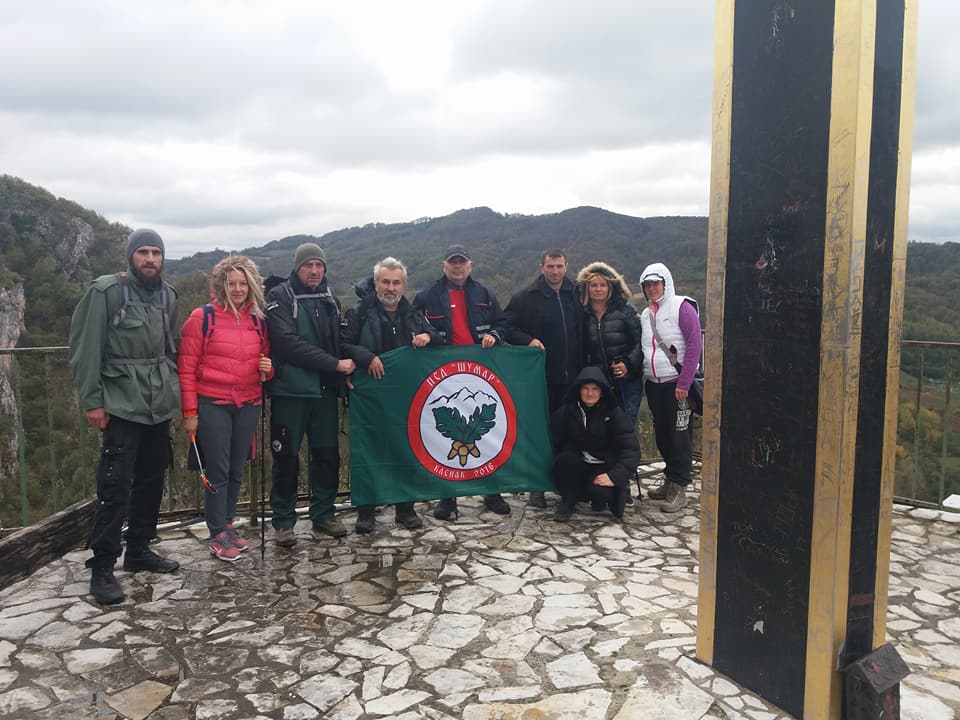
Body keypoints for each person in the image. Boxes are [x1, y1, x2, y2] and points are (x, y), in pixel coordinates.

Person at [69, 228, 181, 605]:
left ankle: (138, 550)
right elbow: (85, 348)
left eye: (156, 253)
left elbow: (172, 349)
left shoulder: (168, 296)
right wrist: (92, 401)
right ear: (131, 256)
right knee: (114, 486)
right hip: (120, 402)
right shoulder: (106, 292)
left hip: (157, 404)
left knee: (151, 479)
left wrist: (175, 392)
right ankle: (102, 566)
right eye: (143, 252)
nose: (150, 259)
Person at [178, 256, 273, 561]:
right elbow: (186, 368)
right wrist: (190, 413)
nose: (238, 289)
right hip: (213, 404)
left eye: (243, 283)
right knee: (217, 471)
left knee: (235, 469)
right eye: (231, 283)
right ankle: (217, 532)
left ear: (252, 286)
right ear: (221, 285)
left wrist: (268, 369)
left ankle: (228, 525)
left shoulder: (258, 321)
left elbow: (266, 363)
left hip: (248, 403)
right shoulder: (202, 318)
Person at [265, 243, 356, 546]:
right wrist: (334, 364)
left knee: (327, 456)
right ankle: (283, 521)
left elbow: (338, 341)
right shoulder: (279, 296)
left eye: (319, 265)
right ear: (297, 267)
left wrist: (345, 372)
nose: (314, 271)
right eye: (308, 265)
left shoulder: (329, 297)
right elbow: (287, 344)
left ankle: (324, 514)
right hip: (290, 392)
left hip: (325, 392)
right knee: (286, 458)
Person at [342, 257, 440, 533]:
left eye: (396, 283)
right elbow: (343, 343)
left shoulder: (413, 314)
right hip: (369, 397)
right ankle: (366, 512)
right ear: (376, 284)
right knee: (368, 451)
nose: (391, 287)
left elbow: (438, 338)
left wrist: (428, 337)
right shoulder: (359, 312)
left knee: (405, 450)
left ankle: (405, 509)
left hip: (405, 397)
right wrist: (367, 357)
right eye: (385, 282)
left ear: (404, 286)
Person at [414, 244, 510, 520]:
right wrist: (426, 336)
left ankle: (492, 492)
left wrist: (494, 335)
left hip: (480, 374)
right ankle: (448, 498)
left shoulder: (485, 293)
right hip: (443, 376)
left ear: (470, 265)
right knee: (445, 436)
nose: (457, 266)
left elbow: (502, 323)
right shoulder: (427, 295)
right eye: (452, 262)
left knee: (487, 434)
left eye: (462, 262)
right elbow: (414, 323)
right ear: (444, 265)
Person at [504, 249, 583, 508]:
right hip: (540, 379)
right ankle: (537, 486)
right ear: (542, 267)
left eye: (559, 266)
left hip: (573, 378)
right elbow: (506, 326)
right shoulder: (525, 297)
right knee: (541, 433)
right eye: (550, 266)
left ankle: (564, 482)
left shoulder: (577, 293)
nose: (555, 271)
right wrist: (527, 340)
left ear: (566, 266)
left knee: (569, 433)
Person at [638, 262, 703, 513]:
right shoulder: (646, 315)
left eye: (656, 283)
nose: (652, 288)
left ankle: (680, 486)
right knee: (663, 435)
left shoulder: (681, 307)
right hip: (655, 385)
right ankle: (670, 478)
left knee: (679, 436)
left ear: (666, 283)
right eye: (647, 284)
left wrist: (685, 382)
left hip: (677, 383)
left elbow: (694, 344)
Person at [550, 367, 640, 522]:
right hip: (577, 462)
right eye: (585, 388)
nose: (590, 393)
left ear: (602, 391)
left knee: (600, 492)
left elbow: (630, 449)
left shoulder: (614, 412)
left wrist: (614, 476)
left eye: (595, 389)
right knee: (566, 460)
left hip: (603, 465)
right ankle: (568, 500)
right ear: (579, 390)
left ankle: (609, 496)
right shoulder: (567, 410)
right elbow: (552, 440)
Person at [575, 261, 644, 428]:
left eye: (603, 285)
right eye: (593, 285)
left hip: (627, 382)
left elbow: (641, 342)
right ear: (586, 288)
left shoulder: (625, 311)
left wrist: (628, 363)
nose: (598, 289)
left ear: (610, 288)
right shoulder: (582, 316)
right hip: (598, 384)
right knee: (602, 429)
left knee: (626, 428)